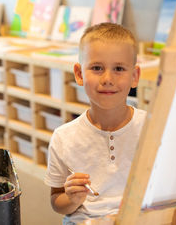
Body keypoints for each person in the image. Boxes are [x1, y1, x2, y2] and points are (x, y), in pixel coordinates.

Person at [44, 23, 146, 225]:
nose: (108, 79)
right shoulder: (63, 137)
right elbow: (57, 201)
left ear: (134, 76)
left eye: (119, 69)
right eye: (97, 68)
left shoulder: (152, 128)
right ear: (79, 74)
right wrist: (72, 199)